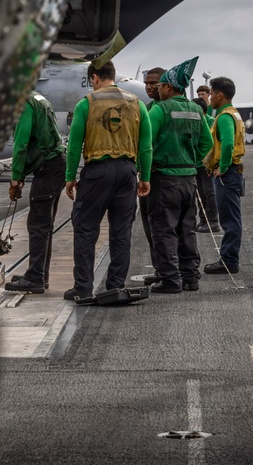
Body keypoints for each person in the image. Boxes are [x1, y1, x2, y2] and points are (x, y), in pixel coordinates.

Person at [64, 61, 152, 300]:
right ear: (113, 75)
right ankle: (115, 286)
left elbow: (74, 146)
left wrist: (70, 177)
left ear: (94, 77)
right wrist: (145, 177)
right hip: (127, 171)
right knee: (121, 232)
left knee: (85, 231)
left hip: (97, 172)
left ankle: (83, 287)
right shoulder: (138, 104)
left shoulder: (87, 103)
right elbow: (145, 146)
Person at [145, 59, 212, 294]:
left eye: (160, 86)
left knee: (164, 230)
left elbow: (145, 143)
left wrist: (143, 172)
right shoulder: (196, 110)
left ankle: (170, 279)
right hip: (189, 178)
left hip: (164, 178)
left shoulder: (160, 109)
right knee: (187, 229)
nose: (157, 89)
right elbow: (208, 142)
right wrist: (192, 160)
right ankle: (191, 277)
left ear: (169, 87)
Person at [4, 91, 67, 294]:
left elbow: (20, 144)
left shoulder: (23, 103)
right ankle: (38, 274)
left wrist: (16, 177)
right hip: (55, 165)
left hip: (48, 168)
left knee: (38, 224)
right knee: (44, 224)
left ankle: (36, 278)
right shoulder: (39, 98)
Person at [203, 77, 245, 274]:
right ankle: (229, 258)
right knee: (232, 218)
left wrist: (223, 166)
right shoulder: (234, 114)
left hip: (227, 174)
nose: (209, 98)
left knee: (229, 220)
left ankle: (229, 260)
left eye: (211, 94)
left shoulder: (225, 117)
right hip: (233, 173)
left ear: (220, 95)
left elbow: (228, 143)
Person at [139, 68, 164, 268]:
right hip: (182, 175)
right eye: (147, 83)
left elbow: (144, 145)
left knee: (155, 225)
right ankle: (183, 273)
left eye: (154, 83)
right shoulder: (147, 107)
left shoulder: (154, 110)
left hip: (156, 175)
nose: (148, 87)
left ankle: (164, 271)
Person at [191, 97, 220, 233]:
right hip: (195, 164)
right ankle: (203, 221)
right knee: (200, 195)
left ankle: (213, 222)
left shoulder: (211, 122)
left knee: (209, 193)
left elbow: (212, 145)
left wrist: (212, 164)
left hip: (206, 165)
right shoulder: (193, 122)